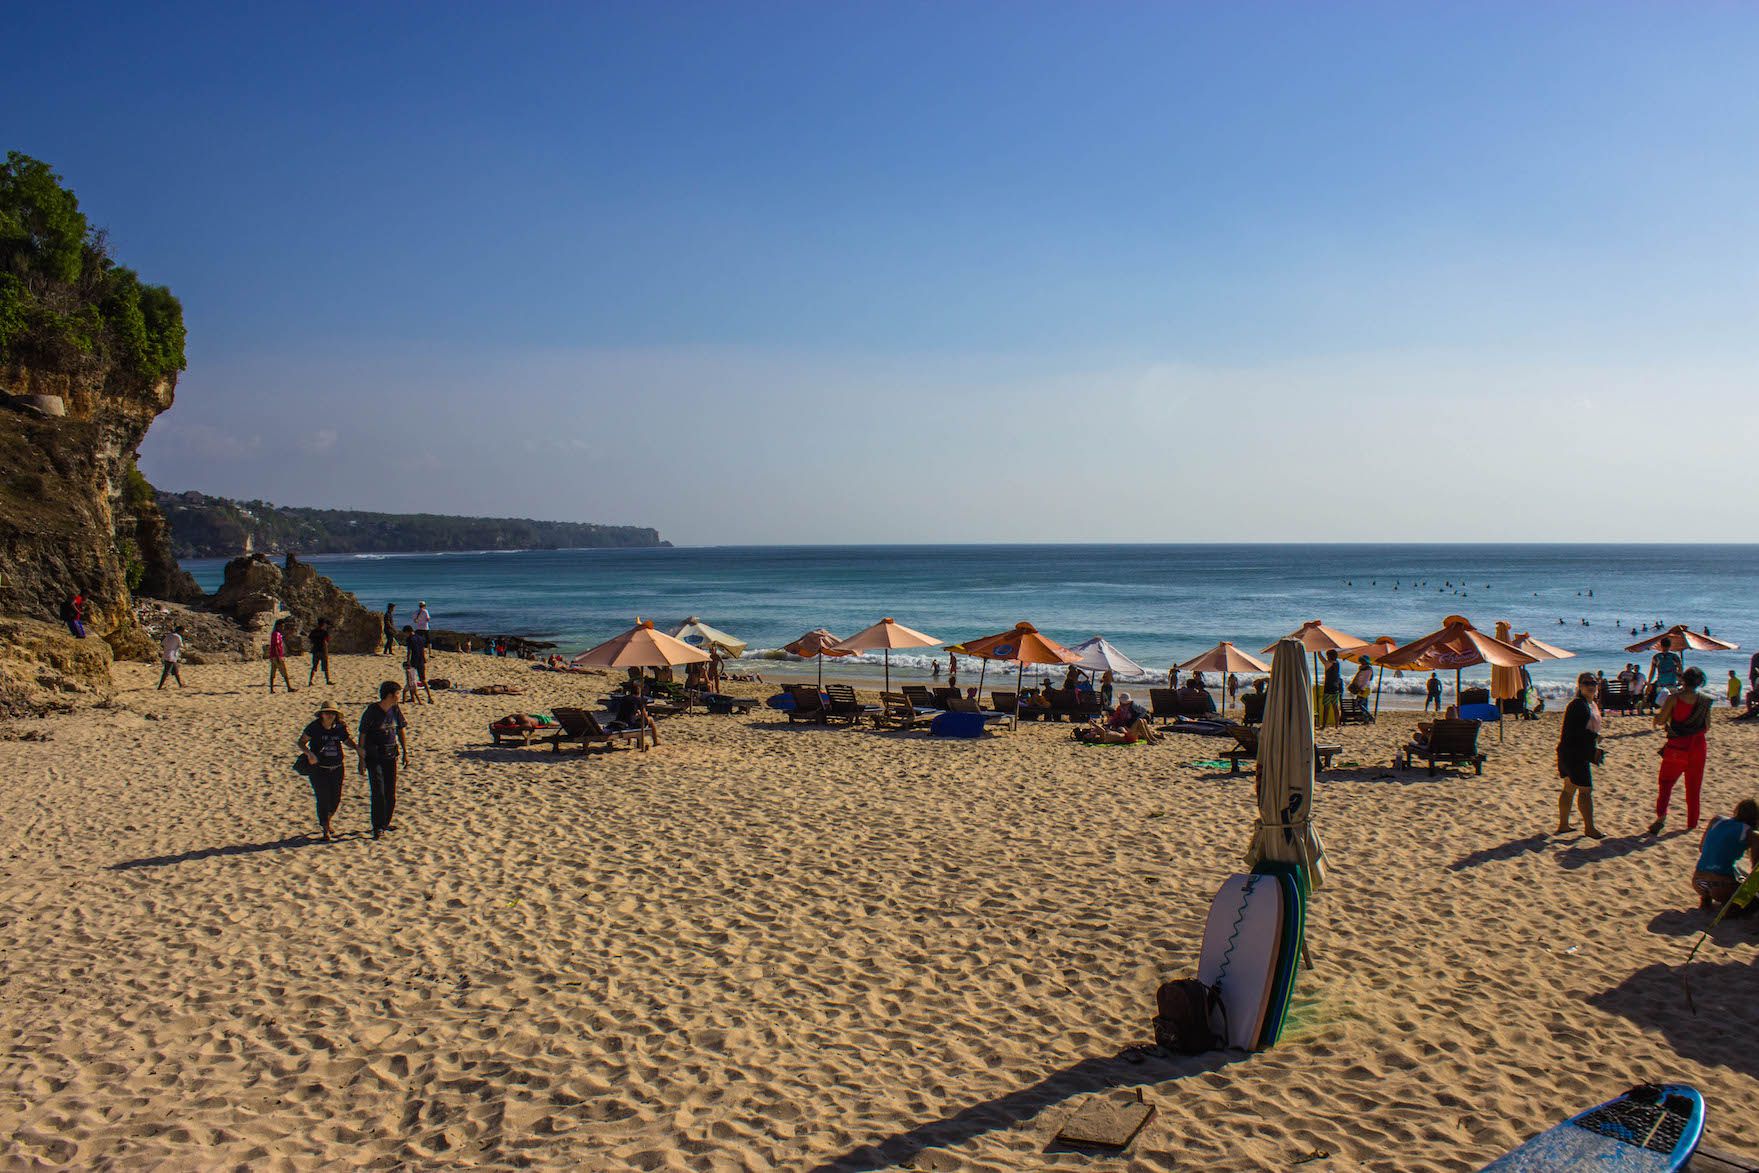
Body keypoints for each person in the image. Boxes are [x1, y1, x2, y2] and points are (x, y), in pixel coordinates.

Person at [1650, 666, 1712, 836]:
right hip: (1698, 748)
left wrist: (1657, 718)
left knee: (1666, 784)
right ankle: (1692, 822)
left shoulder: (1674, 699)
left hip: (1677, 747)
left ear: (1683, 680)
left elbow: (1662, 720)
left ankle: (1661, 817)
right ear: (1700, 682)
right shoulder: (1705, 701)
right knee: (1693, 788)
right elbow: (1707, 726)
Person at [1555, 672, 1605, 839]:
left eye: (1593, 683)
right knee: (1585, 790)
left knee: (1569, 788)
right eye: (1586, 683)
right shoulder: (1578, 705)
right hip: (1574, 754)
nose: (1590, 685)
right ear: (1580, 685)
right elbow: (1576, 732)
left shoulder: (1590, 703)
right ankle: (1589, 828)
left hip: (1570, 752)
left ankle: (1563, 825)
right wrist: (1595, 738)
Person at [298, 699, 357, 841]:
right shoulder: (314, 727)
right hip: (319, 769)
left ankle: (326, 821)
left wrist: (357, 748)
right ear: (322, 715)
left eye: (332, 713)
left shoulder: (340, 727)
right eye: (327, 713)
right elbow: (301, 742)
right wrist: (309, 754)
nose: (330, 716)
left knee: (335, 799)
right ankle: (325, 829)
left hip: (337, 768)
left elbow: (346, 740)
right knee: (323, 798)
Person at [358, 681, 408, 839]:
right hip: (374, 756)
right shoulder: (372, 711)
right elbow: (363, 735)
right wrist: (361, 759)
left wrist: (406, 752)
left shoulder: (395, 709)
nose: (399, 696)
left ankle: (385, 822)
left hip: (391, 755)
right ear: (390, 695)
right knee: (378, 791)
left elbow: (401, 730)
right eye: (398, 693)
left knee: (390, 792)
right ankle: (377, 826)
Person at [1691, 799, 1758, 909]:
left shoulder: (1716, 820)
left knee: (1734, 867)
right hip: (1721, 885)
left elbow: (1702, 848)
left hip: (1698, 882)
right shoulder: (1750, 833)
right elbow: (1755, 869)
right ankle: (1731, 909)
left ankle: (1705, 899)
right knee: (1754, 902)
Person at [1076, 692, 1162, 744]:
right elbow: (1103, 731)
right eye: (1088, 735)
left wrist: (1104, 726)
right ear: (1091, 738)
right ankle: (1149, 740)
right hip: (1127, 738)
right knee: (1140, 721)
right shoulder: (1099, 739)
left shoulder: (1097, 734)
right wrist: (1094, 724)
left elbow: (1108, 726)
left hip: (1126, 734)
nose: (1088, 733)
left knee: (1142, 720)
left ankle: (1152, 738)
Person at [402, 624, 432, 704]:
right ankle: (429, 697)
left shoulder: (410, 639)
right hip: (421, 660)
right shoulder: (420, 638)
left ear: (408, 632)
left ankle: (413, 698)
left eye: (405, 633)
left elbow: (409, 651)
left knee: (411, 679)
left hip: (414, 661)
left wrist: (408, 661)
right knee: (423, 679)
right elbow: (422, 649)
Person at [1647, 636, 1682, 702]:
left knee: (1662, 705)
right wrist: (1680, 681)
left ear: (1661, 645)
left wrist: (1649, 683)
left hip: (1661, 684)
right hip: (1672, 683)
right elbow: (1680, 670)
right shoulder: (1674, 657)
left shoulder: (1656, 657)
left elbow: (1652, 672)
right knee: (1673, 704)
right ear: (1670, 646)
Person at [267, 618, 295, 693]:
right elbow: (276, 646)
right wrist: (278, 657)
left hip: (273, 656)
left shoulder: (274, 634)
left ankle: (271, 689)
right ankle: (289, 687)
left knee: (273, 672)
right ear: (278, 626)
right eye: (282, 626)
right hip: (277, 656)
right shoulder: (276, 634)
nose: (283, 628)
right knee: (284, 672)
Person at [155, 624, 186, 689]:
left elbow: (163, 644)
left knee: (175, 671)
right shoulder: (178, 637)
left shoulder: (169, 635)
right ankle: (160, 687)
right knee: (166, 672)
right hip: (171, 656)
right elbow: (181, 646)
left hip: (166, 654)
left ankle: (180, 685)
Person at [1319, 650, 1343, 728]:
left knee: (1326, 707)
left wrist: (1318, 652)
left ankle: (1324, 725)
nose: (1326, 657)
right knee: (1335, 707)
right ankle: (1337, 725)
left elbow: (1322, 660)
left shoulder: (1328, 664)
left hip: (1328, 688)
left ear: (1329, 656)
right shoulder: (1337, 663)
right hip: (1336, 688)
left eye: (1327, 656)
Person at [307, 617, 332, 686]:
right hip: (322, 651)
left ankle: (310, 681)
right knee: (325, 667)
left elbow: (310, 640)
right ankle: (327, 680)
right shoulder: (324, 632)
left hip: (315, 650)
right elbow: (326, 642)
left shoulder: (314, 631)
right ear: (323, 624)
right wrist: (326, 652)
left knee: (314, 667)